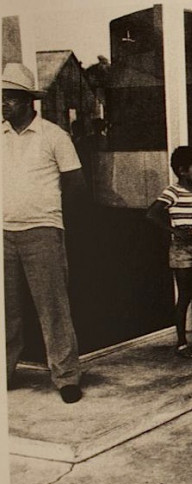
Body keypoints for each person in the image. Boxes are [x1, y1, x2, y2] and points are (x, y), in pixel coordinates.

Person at [3, 63, 86, 404]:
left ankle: (66, 377)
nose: (3, 104)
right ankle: (5, 372)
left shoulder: (54, 136)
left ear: (28, 101)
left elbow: (76, 184)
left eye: (10, 98)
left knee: (53, 309)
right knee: (5, 311)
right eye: (1, 97)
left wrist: (51, 217)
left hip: (42, 232)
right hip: (3, 233)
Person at [146, 146, 192, 358]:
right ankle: (181, 343)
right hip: (182, 250)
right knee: (185, 294)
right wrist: (175, 231)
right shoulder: (173, 192)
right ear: (182, 170)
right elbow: (151, 214)